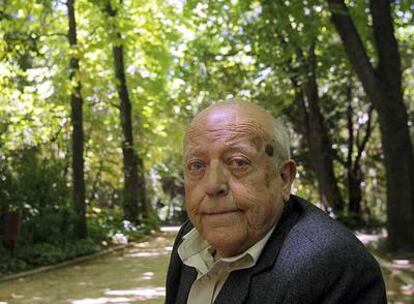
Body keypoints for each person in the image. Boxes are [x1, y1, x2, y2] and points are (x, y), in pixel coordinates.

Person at [165, 100, 386, 304]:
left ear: (284, 178)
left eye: (238, 162)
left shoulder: (336, 267)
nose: (212, 185)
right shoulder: (191, 237)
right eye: (196, 165)